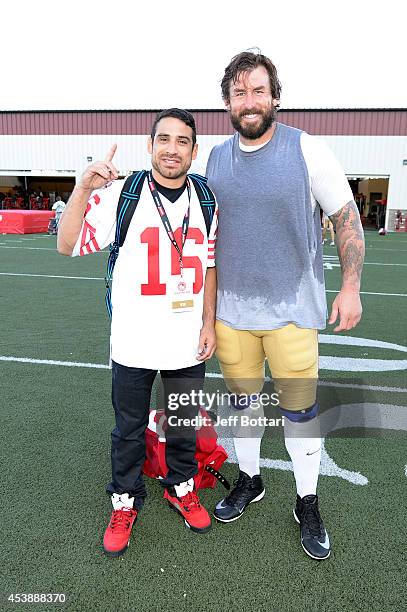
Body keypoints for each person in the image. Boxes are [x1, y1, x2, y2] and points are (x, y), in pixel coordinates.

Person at [206, 51, 365, 560]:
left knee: (299, 412)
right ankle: (250, 479)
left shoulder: (306, 149)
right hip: (232, 314)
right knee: (243, 405)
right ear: (227, 102)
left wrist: (351, 287)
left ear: (275, 95)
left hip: (294, 311)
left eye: (257, 91)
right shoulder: (214, 157)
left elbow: (345, 215)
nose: (248, 102)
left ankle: (306, 499)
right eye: (238, 93)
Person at [57, 108, 218, 557]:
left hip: (187, 341)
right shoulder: (122, 194)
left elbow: (209, 263)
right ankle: (125, 500)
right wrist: (82, 188)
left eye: (182, 141)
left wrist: (208, 321)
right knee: (128, 429)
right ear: (149, 146)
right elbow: (66, 244)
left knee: (183, 423)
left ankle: (181, 487)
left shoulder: (206, 197)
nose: (172, 148)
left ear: (193, 150)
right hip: (132, 341)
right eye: (163, 139)